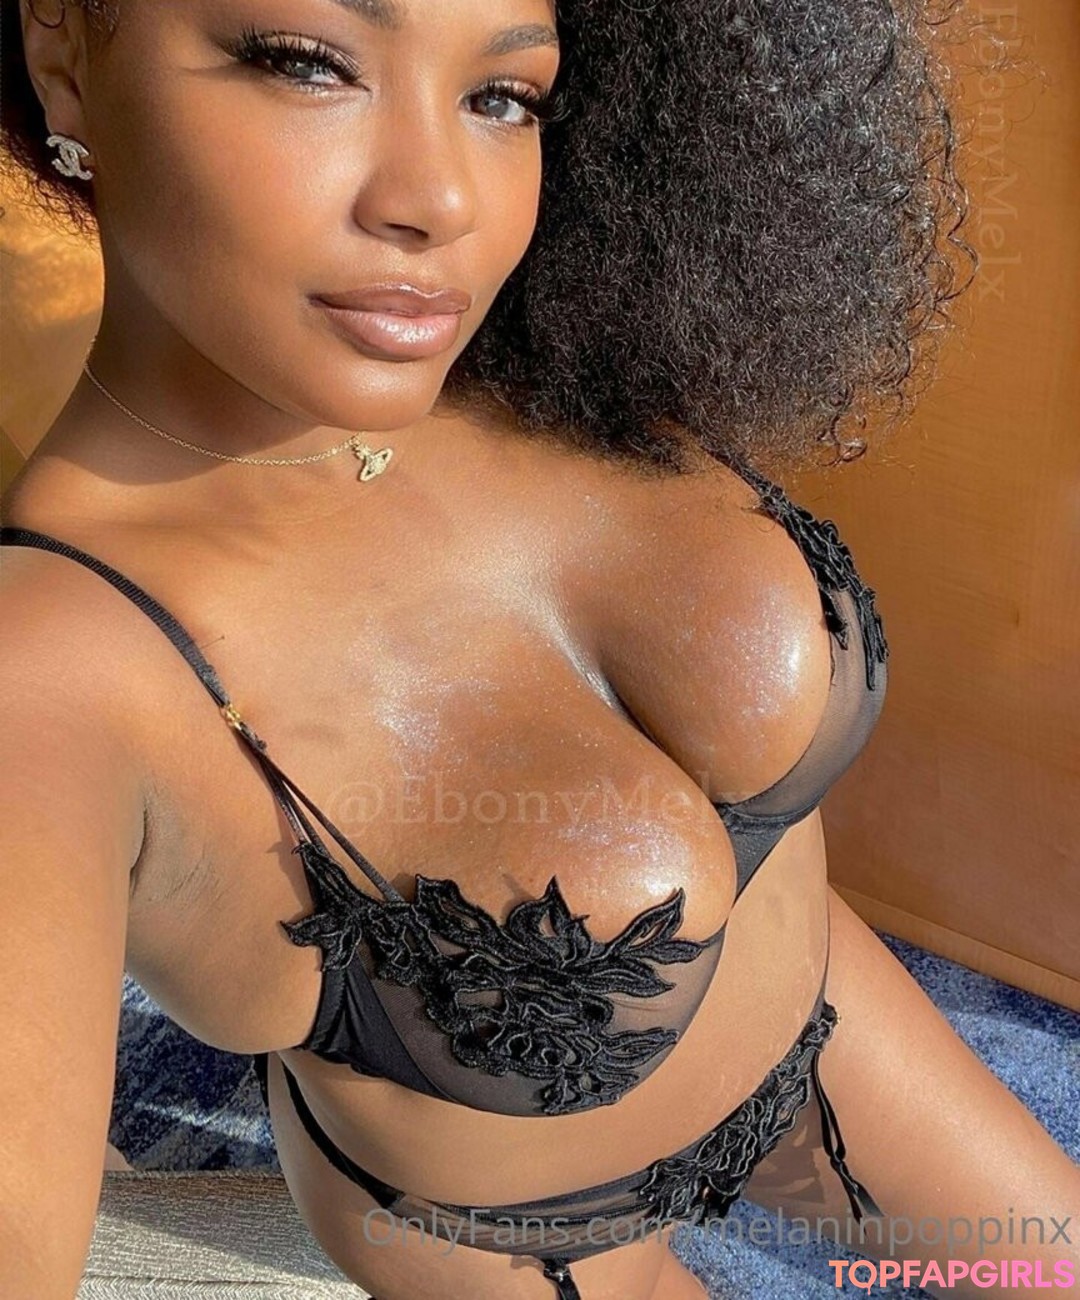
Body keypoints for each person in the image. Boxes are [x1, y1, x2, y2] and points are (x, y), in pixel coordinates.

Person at [1, 1, 1077, 1298]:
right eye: (307, 65)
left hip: (836, 1027)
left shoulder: (545, 334)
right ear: (61, 49)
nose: (442, 200)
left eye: (503, 97)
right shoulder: (49, 672)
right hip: (543, 1241)